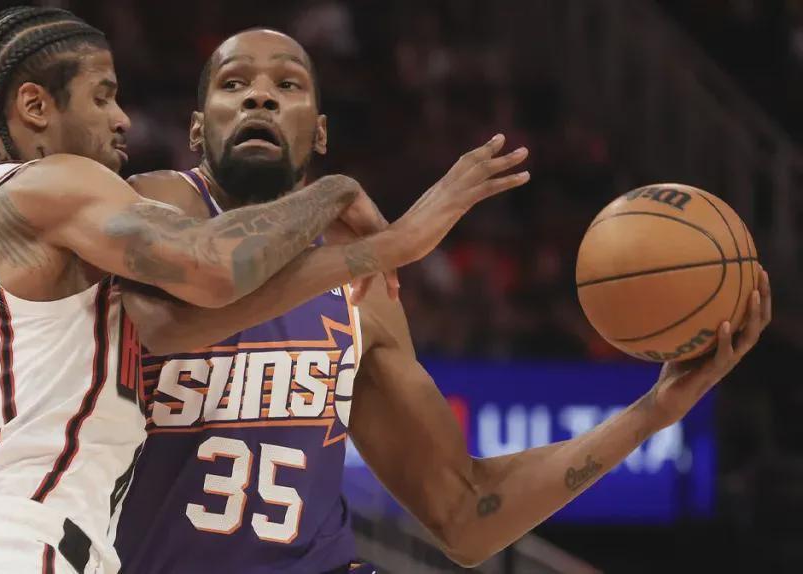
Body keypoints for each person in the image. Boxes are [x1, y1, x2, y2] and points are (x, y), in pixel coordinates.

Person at [0, 9, 523, 574]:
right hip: (23, 551)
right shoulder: (54, 185)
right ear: (35, 107)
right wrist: (350, 209)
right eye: (102, 97)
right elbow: (211, 269)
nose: (122, 119)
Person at [111, 29, 773, 573]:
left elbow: (465, 514)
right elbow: (192, 301)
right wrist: (345, 202)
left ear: (319, 133)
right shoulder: (153, 204)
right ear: (196, 130)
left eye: (288, 85)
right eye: (234, 84)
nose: (259, 95)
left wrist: (655, 412)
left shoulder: (359, 291)